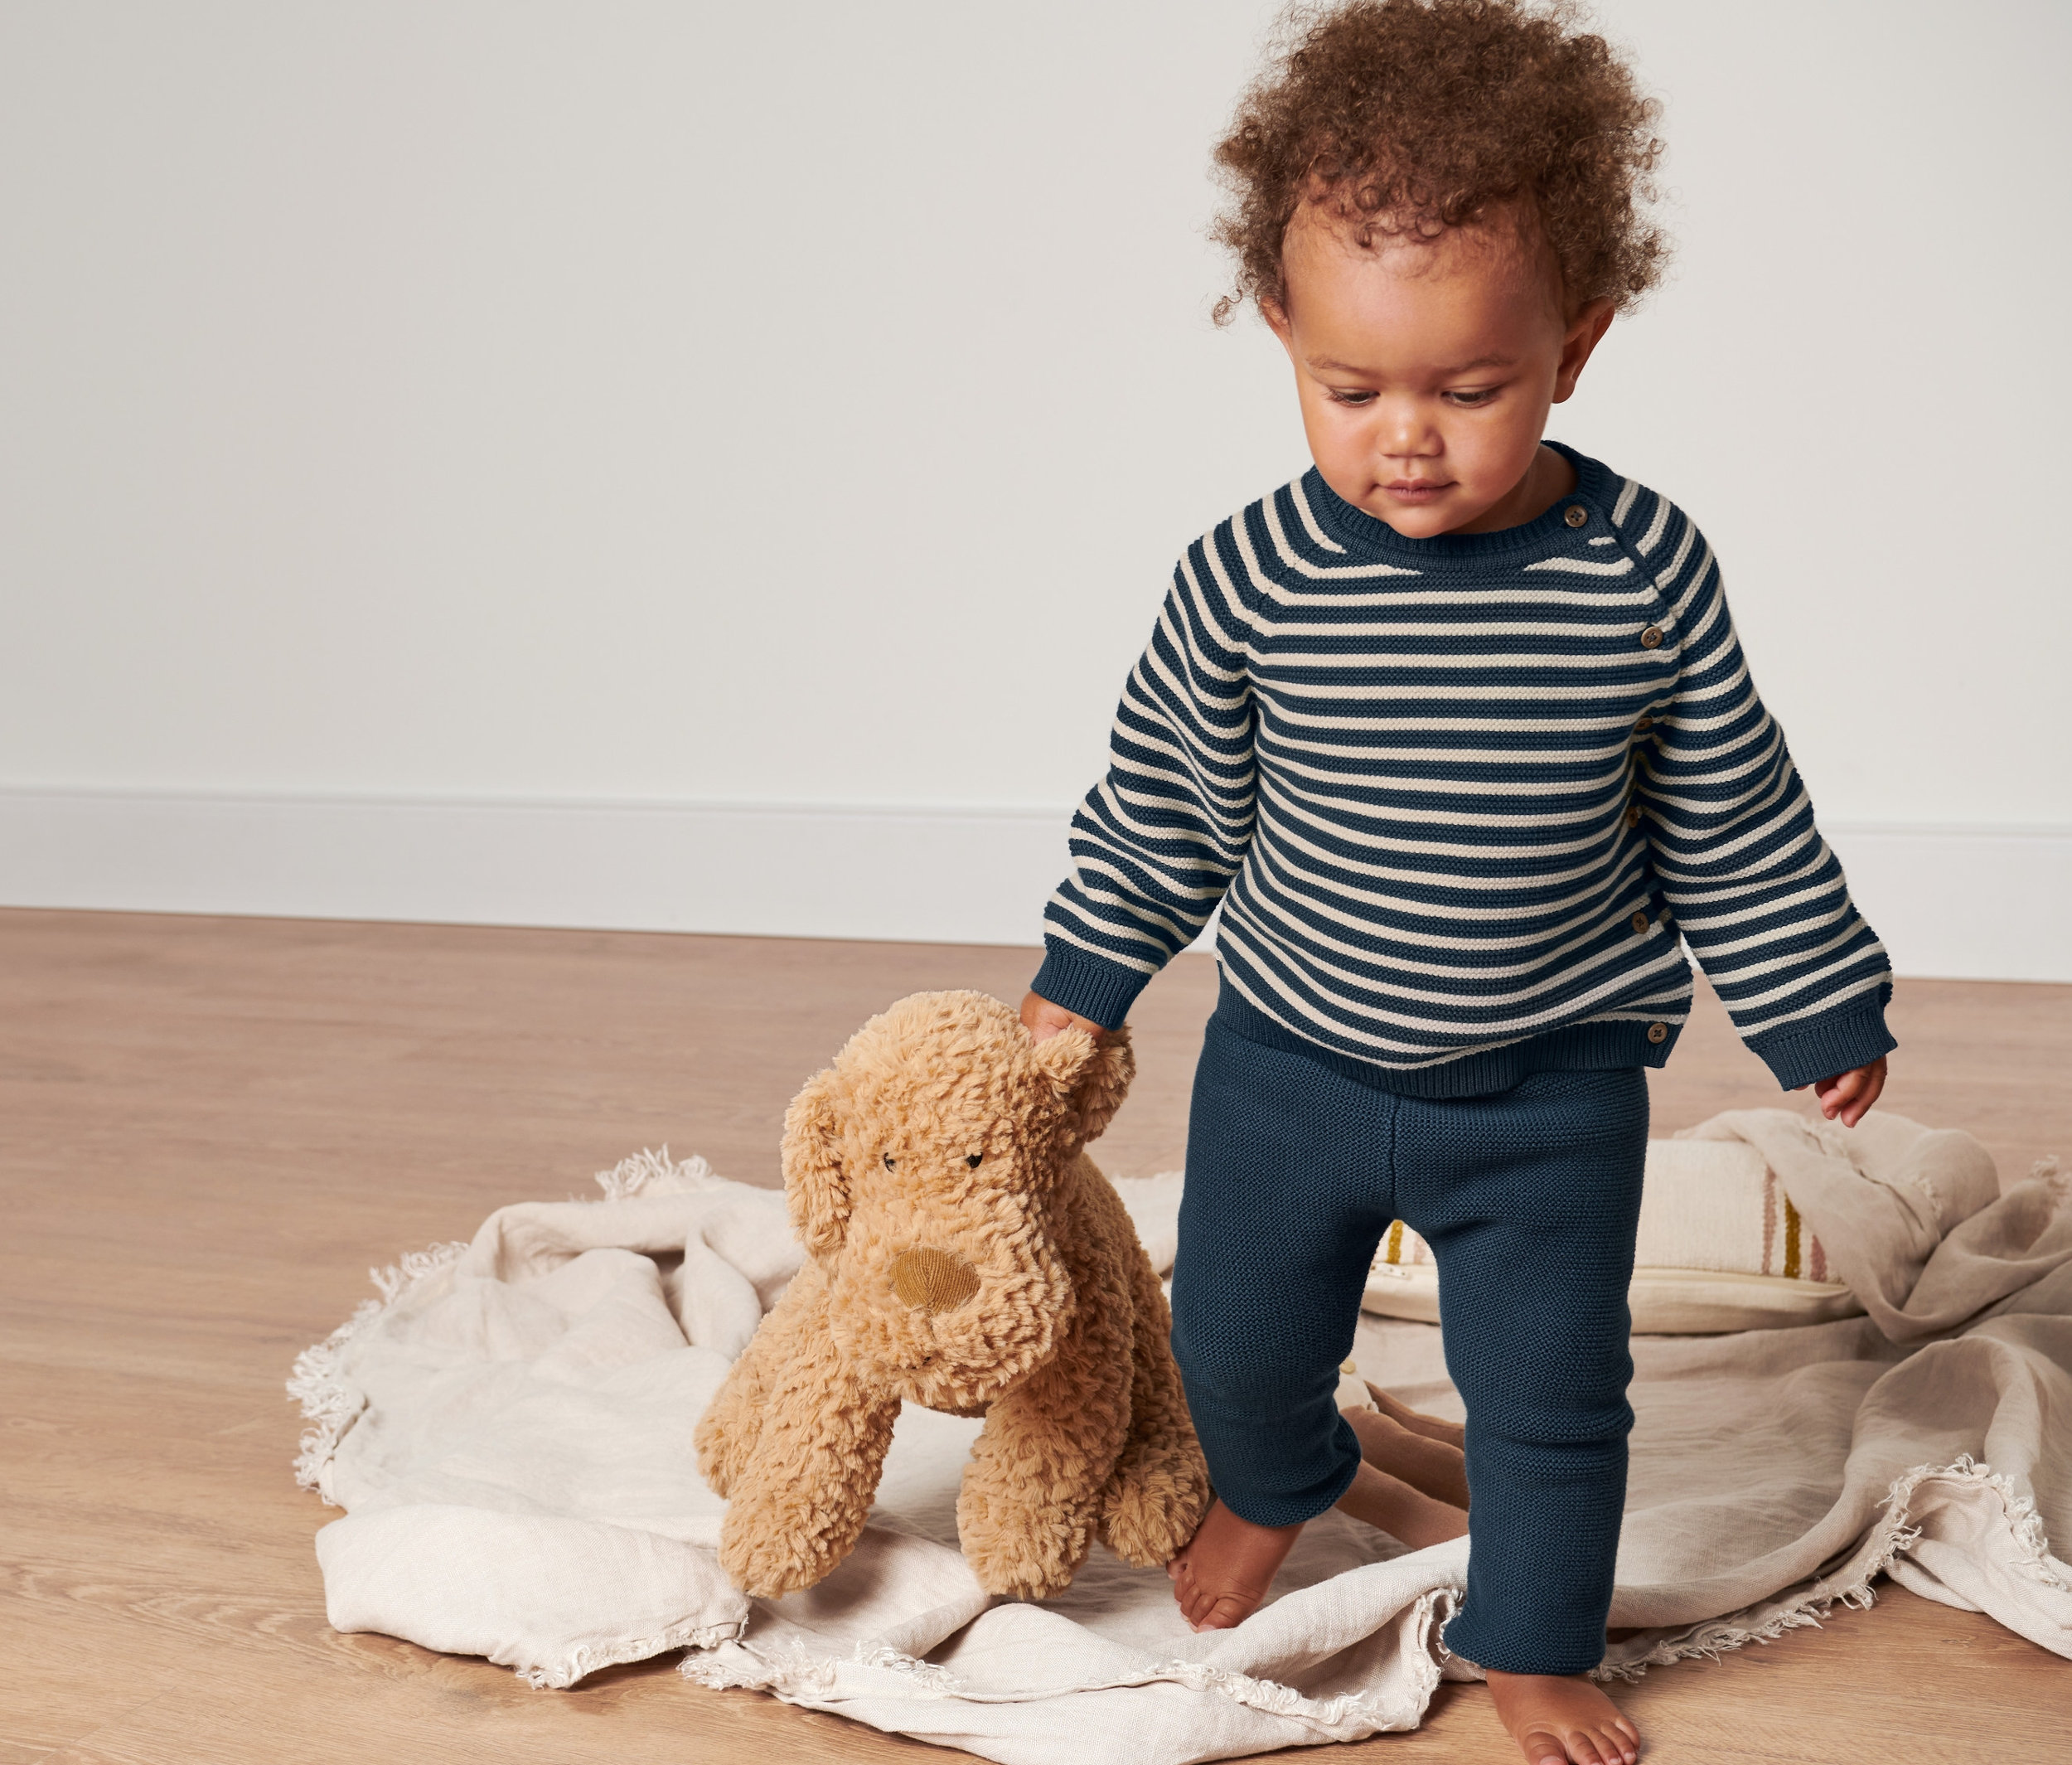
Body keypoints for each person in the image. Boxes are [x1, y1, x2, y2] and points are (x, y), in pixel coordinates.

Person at [1017, 4, 1894, 1762]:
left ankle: (1537, 1640)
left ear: (1573, 345)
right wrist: (1080, 978)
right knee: (1240, 1349)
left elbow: (1726, 800)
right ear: (1277, 332)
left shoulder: (1637, 572)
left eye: (1464, 388)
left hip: (1547, 1092)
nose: (1402, 436)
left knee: (1553, 1403)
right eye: (1350, 389)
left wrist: (1807, 996)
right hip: (1290, 1064)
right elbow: (1164, 803)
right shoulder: (1248, 578)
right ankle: (1284, 1478)